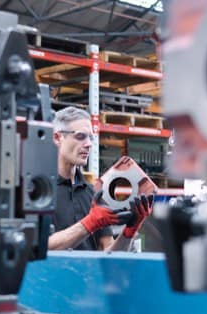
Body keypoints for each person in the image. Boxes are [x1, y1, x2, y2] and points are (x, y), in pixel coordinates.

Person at [48, 107, 152, 251]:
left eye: (90, 137)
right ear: (58, 138)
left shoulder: (92, 193)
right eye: (80, 136)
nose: (89, 144)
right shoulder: (40, 193)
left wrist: (129, 232)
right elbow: (40, 248)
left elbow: (108, 253)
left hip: (89, 274)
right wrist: (90, 223)